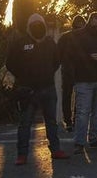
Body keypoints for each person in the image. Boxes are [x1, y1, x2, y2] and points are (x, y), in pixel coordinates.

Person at [6, 14, 70, 165]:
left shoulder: (50, 43)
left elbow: (56, 62)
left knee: (51, 122)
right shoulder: (20, 43)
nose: (37, 26)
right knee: (25, 124)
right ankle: (22, 155)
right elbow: (10, 63)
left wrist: (46, 73)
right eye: (33, 24)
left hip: (48, 88)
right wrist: (23, 77)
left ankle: (56, 150)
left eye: (39, 23)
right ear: (29, 27)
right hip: (28, 91)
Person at [71, 11, 97, 152]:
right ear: (90, 22)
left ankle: (94, 139)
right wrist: (90, 58)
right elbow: (73, 55)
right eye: (95, 26)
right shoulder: (79, 36)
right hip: (84, 78)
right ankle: (80, 142)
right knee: (83, 111)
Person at [57, 14, 86, 131]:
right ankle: (75, 120)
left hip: (67, 69)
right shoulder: (85, 37)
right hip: (80, 70)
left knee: (67, 96)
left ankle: (68, 121)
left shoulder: (64, 37)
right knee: (79, 96)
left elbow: (57, 54)